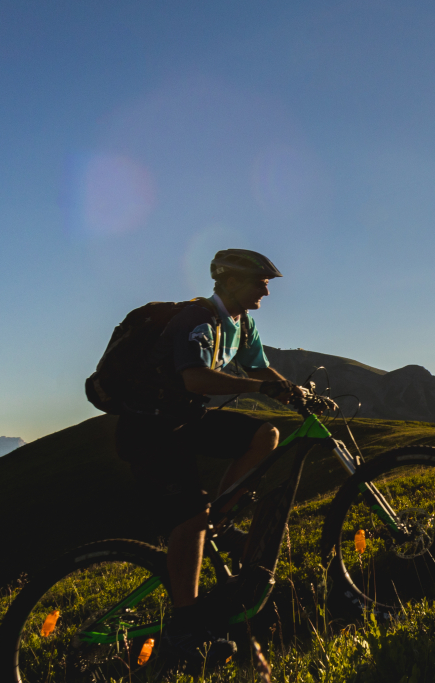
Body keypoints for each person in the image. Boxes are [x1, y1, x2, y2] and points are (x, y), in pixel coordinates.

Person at [112, 248, 303, 671]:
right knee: (190, 516)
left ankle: (223, 517)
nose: (265, 292)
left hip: (184, 418)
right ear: (231, 282)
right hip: (149, 428)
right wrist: (258, 389)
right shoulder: (197, 320)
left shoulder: (242, 323)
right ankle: (185, 629)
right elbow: (195, 376)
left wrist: (294, 393)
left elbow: (262, 368)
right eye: (260, 283)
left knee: (264, 434)